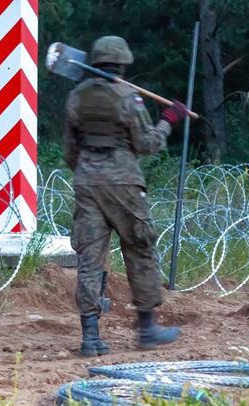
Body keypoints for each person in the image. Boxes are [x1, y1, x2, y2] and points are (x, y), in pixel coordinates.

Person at [63, 35, 188, 356]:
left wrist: (89, 172)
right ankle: (147, 329)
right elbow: (147, 144)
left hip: (87, 181)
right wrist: (168, 120)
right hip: (124, 184)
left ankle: (90, 338)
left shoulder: (76, 97)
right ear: (122, 63)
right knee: (140, 249)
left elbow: (70, 150)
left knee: (89, 260)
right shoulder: (127, 96)